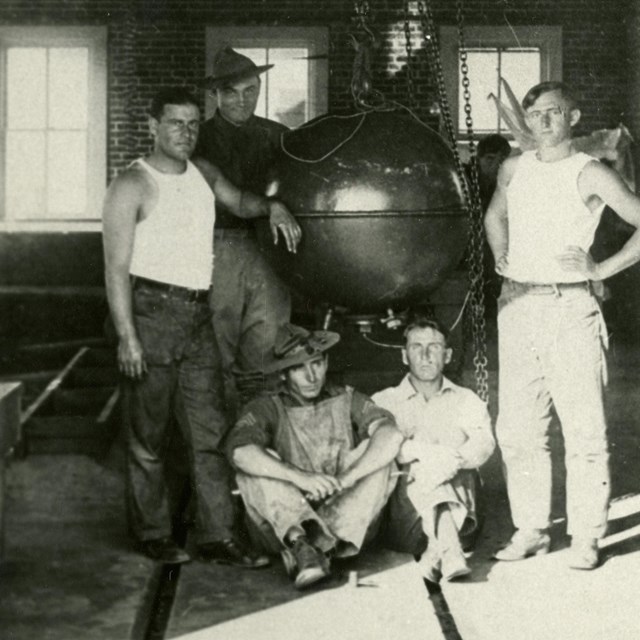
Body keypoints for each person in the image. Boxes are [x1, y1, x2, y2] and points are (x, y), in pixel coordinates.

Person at [102, 86, 298, 566]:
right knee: (148, 437)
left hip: (197, 317)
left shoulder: (204, 174)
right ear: (153, 125)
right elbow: (114, 270)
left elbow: (241, 202)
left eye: (192, 124)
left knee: (210, 433)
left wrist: (272, 206)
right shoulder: (131, 185)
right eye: (175, 123)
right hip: (150, 313)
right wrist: (127, 336)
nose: (186, 133)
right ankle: (153, 533)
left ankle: (217, 535)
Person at [484, 81, 640, 570]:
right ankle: (530, 529)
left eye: (554, 112)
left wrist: (600, 270)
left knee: (583, 428)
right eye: (534, 114)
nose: (543, 121)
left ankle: (586, 536)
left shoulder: (589, 171)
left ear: (573, 119)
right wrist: (501, 257)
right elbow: (495, 215)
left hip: (569, 308)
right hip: (518, 306)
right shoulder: (514, 167)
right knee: (518, 427)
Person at [224, 323, 404, 590]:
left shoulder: (347, 397)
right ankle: (302, 544)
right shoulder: (266, 407)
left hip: (346, 524)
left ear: (326, 361)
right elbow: (239, 452)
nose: (311, 376)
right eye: (299, 368)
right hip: (285, 525)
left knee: (379, 454)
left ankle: (319, 550)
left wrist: (346, 479)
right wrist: (300, 477)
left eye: (316, 364)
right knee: (254, 464)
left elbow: (392, 435)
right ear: (284, 374)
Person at [194, 46, 298, 411]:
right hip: (216, 251)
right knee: (215, 348)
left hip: (270, 251)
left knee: (269, 346)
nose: (242, 100)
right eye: (232, 92)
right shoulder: (197, 139)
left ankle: (260, 440)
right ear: (215, 94)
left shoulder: (278, 136)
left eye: (250, 90)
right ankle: (218, 451)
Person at [372, 315, 494, 583]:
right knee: (421, 462)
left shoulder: (466, 400)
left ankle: (440, 549)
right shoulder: (384, 401)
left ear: (447, 355)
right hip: (406, 523)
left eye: (435, 347)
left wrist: (456, 459)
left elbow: (485, 445)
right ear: (405, 356)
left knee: (450, 462)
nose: (426, 355)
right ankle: (449, 552)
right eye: (417, 347)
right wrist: (429, 454)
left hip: (466, 520)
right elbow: (381, 450)